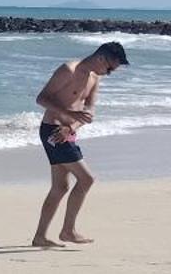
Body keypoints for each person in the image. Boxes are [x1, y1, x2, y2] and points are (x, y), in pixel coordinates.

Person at [32, 41, 128, 247]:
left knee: (60, 187)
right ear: (101, 58)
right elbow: (41, 98)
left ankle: (40, 237)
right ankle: (68, 231)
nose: (109, 73)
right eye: (110, 68)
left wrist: (72, 126)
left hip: (68, 132)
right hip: (53, 131)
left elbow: (89, 112)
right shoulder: (69, 70)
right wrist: (68, 115)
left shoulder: (95, 78)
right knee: (87, 179)